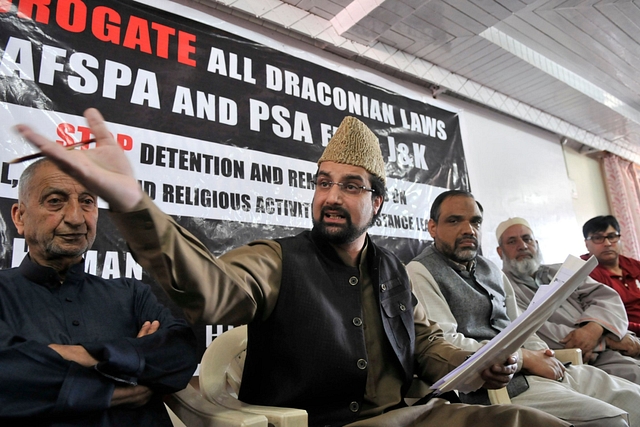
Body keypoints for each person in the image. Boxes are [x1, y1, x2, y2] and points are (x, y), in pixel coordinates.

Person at [13, 109, 574, 427]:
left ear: (377, 203)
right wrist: (132, 204)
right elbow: (210, 292)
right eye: (323, 182)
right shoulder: (276, 259)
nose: (331, 195)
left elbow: (426, 344)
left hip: (409, 414)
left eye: (350, 186)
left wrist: (483, 363)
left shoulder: (392, 269)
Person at [407, 190, 640, 427]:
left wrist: (545, 357)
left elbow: (523, 327)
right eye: (455, 220)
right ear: (433, 227)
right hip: (499, 388)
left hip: (544, 373)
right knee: (612, 421)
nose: (469, 229)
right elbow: (444, 346)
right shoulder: (420, 271)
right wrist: (524, 358)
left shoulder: (490, 269)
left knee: (634, 399)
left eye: (475, 221)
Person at [0, 158, 198, 426]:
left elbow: (181, 350)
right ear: (19, 217)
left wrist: (79, 355)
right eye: (55, 201)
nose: (76, 217)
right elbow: (7, 378)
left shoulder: (131, 293)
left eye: (87, 201)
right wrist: (123, 379)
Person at [497, 217, 640, 383]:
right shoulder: (503, 288)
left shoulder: (563, 270)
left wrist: (594, 329)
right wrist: (606, 340)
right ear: (500, 251)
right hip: (582, 360)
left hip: (617, 344)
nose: (522, 246)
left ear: (536, 244)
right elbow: (534, 330)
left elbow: (605, 297)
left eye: (527, 239)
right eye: (512, 241)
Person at [582, 215, 640, 335]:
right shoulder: (585, 272)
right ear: (586, 244)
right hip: (624, 334)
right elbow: (606, 318)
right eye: (598, 238)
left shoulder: (634, 265)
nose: (607, 243)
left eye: (612, 237)